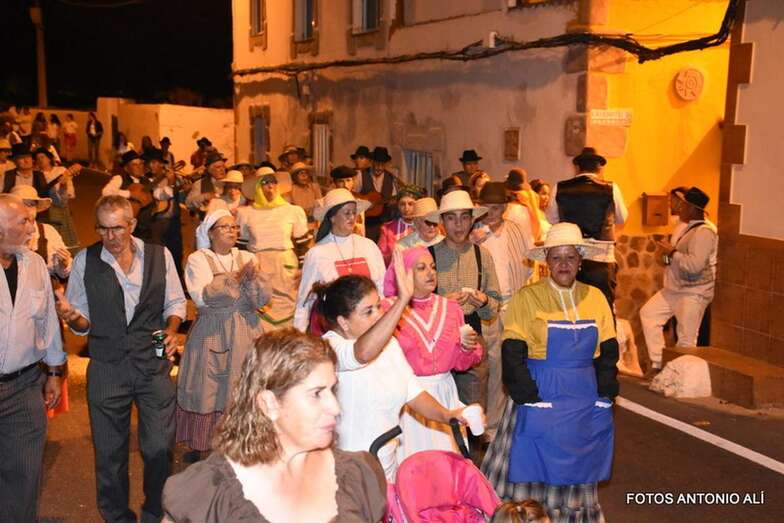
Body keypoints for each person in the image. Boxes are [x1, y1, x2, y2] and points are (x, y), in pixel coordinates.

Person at [162, 329, 388, 522]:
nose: (335, 407)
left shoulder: (353, 475)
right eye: (317, 394)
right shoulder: (212, 492)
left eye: (332, 390)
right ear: (269, 403)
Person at [57, 195, 187, 522]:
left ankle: (155, 512)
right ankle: (116, 517)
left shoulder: (160, 256)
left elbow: (175, 303)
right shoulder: (86, 261)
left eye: (117, 229)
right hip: (107, 368)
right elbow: (83, 322)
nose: (110, 238)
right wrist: (73, 318)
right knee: (110, 454)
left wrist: (172, 329)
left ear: (131, 225)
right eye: (103, 229)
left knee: (159, 447)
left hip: (152, 365)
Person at [481, 222, 619, 521]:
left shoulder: (596, 298)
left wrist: (606, 392)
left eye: (570, 257)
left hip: (582, 396)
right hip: (538, 389)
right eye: (556, 257)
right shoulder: (527, 298)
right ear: (546, 263)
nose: (564, 264)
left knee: (576, 466)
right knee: (529, 465)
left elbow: (608, 351)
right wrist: (527, 395)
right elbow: (513, 350)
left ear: (580, 260)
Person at [314, 261, 479, 479]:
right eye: (368, 311)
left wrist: (447, 415)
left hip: (386, 462)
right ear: (344, 322)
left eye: (379, 306)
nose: (379, 315)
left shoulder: (389, 345)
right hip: (349, 468)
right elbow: (361, 354)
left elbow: (413, 391)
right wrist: (402, 301)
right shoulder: (330, 347)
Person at [178, 209, 269, 459]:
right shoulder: (199, 259)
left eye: (234, 227)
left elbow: (260, 299)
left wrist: (252, 283)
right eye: (225, 227)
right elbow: (203, 298)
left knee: (244, 385)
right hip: (214, 331)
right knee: (208, 386)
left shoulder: (248, 257)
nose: (232, 231)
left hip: (246, 329)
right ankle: (202, 444)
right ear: (210, 233)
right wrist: (236, 279)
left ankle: (241, 446)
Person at [0, 194, 66, 523]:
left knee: (25, 475)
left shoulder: (35, 263)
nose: (31, 228)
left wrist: (55, 370)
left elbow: (48, 320)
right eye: (23, 222)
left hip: (25, 384)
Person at [383, 246, 483, 459]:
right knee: (412, 460)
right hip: (409, 397)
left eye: (433, 267)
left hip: (445, 392)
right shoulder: (388, 309)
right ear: (404, 274)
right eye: (421, 268)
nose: (430, 273)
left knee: (446, 460)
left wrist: (466, 347)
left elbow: (461, 363)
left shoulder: (450, 308)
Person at [426, 189, 501, 410]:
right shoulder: (427, 256)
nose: (458, 225)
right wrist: (442, 304)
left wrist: (484, 301)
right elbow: (414, 305)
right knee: (438, 409)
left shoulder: (482, 255)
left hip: (472, 337)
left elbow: (494, 307)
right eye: (451, 218)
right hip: (435, 342)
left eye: (464, 217)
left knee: (473, 410)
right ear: (441, 222)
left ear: (472, 220)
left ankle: (472, 445)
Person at [471, 182, 534, 438]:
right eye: (487, 207)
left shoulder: (516, 230)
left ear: (505, 208)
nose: (492, 213)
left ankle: (501, 421)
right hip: (486, 305)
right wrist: (474, 240)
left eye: (497, 208)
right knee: (488, 362)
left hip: (514, 302)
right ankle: (484, 419)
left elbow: (528, 263)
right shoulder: (473, 231)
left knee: (510, 361)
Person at [640, 186, 718, 374]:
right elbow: (677, 258)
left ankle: (684, 379)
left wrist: (672, 252)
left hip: (693, 292)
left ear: (692, 209)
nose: (678, 209)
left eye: (683, 206)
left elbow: (695, 266)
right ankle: (659, 364)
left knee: (686, 340)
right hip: (674, 289)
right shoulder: (687, 228)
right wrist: (666, 255)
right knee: (649, 314)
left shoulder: (705, 232)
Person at [545, 147, 628, 308]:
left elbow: (552, 218)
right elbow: (622, 218)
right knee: (603, 308)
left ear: (577, 168)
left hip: (571, 257)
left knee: (571, 307)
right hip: (602, 259)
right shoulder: (611, 188)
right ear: (599, 168)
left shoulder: (560, 187)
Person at [294, 188, 381, 333]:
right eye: (347, 213)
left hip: (369, 327)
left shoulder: (368, 246)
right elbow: (304, 301)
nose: (352, 217)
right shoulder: (317, 253)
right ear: (332, 217)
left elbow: (381, 287)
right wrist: (298, 337)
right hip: (334, 331)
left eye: (354, 212)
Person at [236, 169, 310, 330]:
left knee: (288, 304)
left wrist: (304, 268)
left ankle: (287, 346)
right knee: (259, 306)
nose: (270, 186)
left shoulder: (293, 211)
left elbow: (303, 243)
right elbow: (241, 246)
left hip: (285, 265)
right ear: (257, 187)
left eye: (273, 182)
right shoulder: (245, 213)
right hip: (258, 266)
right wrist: (242, 270)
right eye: (265, 183)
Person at [9, 185, 72, 280]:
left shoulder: (48, 231)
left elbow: (63, 273)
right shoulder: (4, 232)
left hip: (40, 291)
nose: (26, 209)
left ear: (36, 209)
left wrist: (64, 263)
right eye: (21, 204)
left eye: (31, 205)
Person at [34, 147, 80, 250]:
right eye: (37, 158)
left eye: (42, 157)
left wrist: (64, 186)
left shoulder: (61, 171)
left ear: (49, 158)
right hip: (44, 210)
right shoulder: (37, 175)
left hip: (60, 207)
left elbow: (68, 194)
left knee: (66, 241)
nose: (40, 160)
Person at [355, 146, 398, 242]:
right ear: (371, 162)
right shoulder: (361, 175)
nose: (378, 167)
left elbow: (393, 200)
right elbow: (352, 195)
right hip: (365, 223)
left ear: (386, 164)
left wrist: (392, 203)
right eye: (376, 163)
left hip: (383, 224)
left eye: (382, 164)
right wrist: (365, 205)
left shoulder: (390, 178)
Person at [377, 185, 421, 265]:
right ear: (398, 206)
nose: (406, 208)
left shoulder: (427, 227)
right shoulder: (387, 229)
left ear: (418, 205)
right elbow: (380, 258)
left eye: (411, 204)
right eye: (402, 204)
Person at [185, 151, 228, 218]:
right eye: (218, 167)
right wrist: (204, 196)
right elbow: (188, 203)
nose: (222, 169)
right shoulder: (200, 184)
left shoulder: (230, 182)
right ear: (210, 170)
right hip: (208, 224)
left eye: (223, 167)